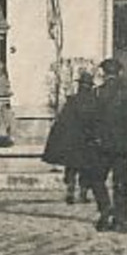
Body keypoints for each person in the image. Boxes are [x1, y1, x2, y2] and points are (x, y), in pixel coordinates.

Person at [83, 57, 127, 232]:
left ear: (103, 73)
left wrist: (94, 138)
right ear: (120, 72)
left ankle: (105, 209)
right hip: (123, 146)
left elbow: (90, 120)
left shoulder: (97, 93)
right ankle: (122, 221)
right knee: (121, 183)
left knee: (96, 179)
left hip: (102, 145)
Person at [42, 69, 97, 205]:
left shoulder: (72, 101)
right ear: (90, 86)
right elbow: (98, 122)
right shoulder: (94, 101)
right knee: (87, 168)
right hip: (87, 141)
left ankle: (70, 191)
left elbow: (62, 122)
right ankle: (83, 193)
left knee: (71, 168)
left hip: (72, 141)